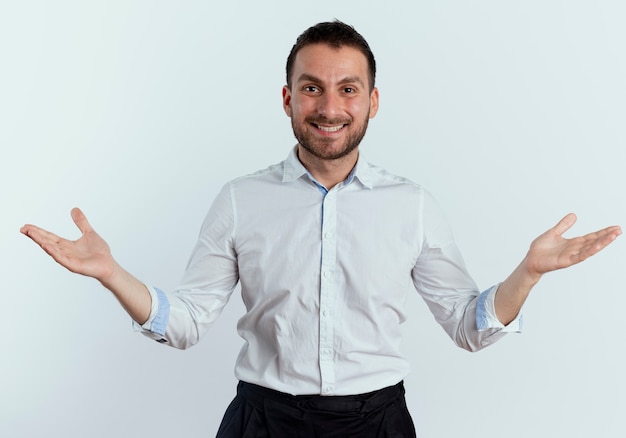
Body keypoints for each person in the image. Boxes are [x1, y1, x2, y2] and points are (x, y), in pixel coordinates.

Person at [21, 21, 621, 438]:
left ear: (372, 101)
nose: (329, 106)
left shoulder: (411, 205)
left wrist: (529, 272)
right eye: (312, 88)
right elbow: (185, 325)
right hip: (262, 422)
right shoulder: (239, 200)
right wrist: (109, 272)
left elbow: (470, 327)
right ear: (287, 99)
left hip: (377, 425)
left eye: (347, 89)